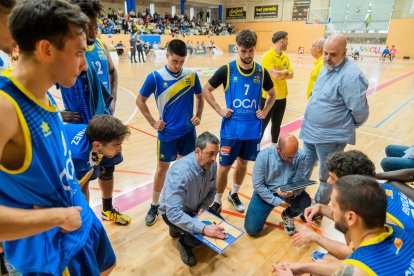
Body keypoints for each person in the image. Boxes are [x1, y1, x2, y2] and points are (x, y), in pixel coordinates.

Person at [0, 0, 116, 274]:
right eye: (78, 54)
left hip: (80, 222)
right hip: (53, 251)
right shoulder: (6, 108)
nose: (85, 65)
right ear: (46, 49)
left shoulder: (45, 94)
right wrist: (55, 216)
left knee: (108, 267)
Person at [59, 0, 129, 226]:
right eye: (88, 26)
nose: (93, 30)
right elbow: (44, 84)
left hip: (104, 122)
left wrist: (114, 100)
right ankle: (85, 220)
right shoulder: (68, 51)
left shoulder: (100, 46)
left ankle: (107, 210)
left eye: (95, 25)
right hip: (82, 128)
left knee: (109, 168)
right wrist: (59, 115)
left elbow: (112, 71)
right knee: (83, 178)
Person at [273, 175, 414, 275]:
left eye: (333, 204)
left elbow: (354, 268)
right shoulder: (397, 231)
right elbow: (349, 265)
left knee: (323, 264)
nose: (330, 207)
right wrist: (304, 267)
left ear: (351, 217)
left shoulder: (360, 268)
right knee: (323, 262)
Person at [202, 29, 276, 214]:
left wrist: (265, 111)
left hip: (252, 131)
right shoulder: (227, 70)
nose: (247, 55)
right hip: (231, 131)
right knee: (224, 167)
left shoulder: (261, 71)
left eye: (251, 50)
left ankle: (234, 193)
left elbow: (273, 94)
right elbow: (206, 90)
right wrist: (219, 109)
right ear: (237, 48)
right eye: (243, 50)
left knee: (243, 164)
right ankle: (217, 200)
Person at [295, 151, 414, 261]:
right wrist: (321, 208)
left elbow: (350, 252)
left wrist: (315, 237)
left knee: (327, 261)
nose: (329, 181)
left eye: (333, 178)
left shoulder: (370, 211)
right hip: (403, 248)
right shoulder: (382, 189)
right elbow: (346, 218)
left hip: (403, 260)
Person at [137, 39, 204, 226]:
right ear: (166, 56)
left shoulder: (191, 75)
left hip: (189, 133)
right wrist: (152, 122)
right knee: (161, 170)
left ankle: (181, 203)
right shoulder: (155, 77)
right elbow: (140, 101)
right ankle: (154, 204)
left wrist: (198, 115)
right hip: (167, 134)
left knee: (185, 170)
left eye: (182, 62)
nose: (178, 65)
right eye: (175, 61)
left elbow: (200, 97)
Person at [299, 34, 369, 205]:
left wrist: (340, 127)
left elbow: (360, 111)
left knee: (326, 176)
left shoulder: (351, 76)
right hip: (310, 132)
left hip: (330, 138)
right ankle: (296, 199)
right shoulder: (325, 67)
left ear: (344, 52)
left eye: (333, 54)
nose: (327, 58)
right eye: (325, 53)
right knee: (303, 168)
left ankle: (318, 207)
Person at [159, 132, 226, 266]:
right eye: (210, 153)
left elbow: (213, 190)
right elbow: (173, 213)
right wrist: (203, 229)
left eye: (216, 154)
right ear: (197, 151)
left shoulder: (211, 164)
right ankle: (183, 243)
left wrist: (205, 206)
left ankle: (178, 230)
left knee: (221, 224)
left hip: (196, 209)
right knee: (201, 237)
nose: (214, 158)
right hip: (173, 213)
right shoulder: (179, 173)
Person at [244, 135, 311, 236]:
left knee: (305, 202)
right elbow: (258, 185)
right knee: (252, 230)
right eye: (289, 157)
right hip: (267, 191)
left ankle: (288, 215)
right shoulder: (263, 156)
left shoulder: (301, 156)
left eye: (294, 155)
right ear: (278, 149)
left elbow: (299, 180)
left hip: (288, 190)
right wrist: (277, 202)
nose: (292, 159)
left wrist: (292, 192)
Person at [64, 115, 131, 206]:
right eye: (116, 145)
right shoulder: (78, 157)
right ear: (97, 145)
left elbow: (83, 181)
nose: (120, 149)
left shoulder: (93, 136)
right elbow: (66, 194)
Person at [260, 31, 294, 144]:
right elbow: (274, 75)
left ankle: (274, 147)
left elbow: (292, 75)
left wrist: (280, 72)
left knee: (276, 125)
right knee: (262, 125)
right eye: (287, 40)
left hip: (282, 97)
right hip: (268, 97)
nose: (288, 43)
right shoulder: (267, 56)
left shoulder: (285, 57)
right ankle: (255, 149)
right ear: (282, 40)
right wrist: (285, 71)